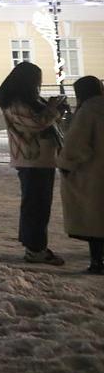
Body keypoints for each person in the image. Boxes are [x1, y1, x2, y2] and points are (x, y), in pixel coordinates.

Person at [0, 62, 66, 265]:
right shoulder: (16, 102)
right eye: (37, 80)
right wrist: (53, 109)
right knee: (36, 205)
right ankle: (35, 249)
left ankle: (36, 246)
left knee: (38, 205)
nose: (39, 84)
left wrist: (52, 108)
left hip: (40, 159)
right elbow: (36, 123)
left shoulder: (27, 100)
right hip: (31, 159)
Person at [58, 76, 104, 275]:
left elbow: (77, 144)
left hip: (92, 175)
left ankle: (97, 262)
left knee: (94, 220)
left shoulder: (88, 111)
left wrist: (66, 165)